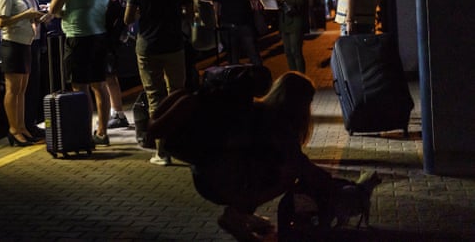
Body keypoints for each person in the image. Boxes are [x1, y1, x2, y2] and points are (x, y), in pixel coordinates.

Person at [149, 71, 376, 241]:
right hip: (220, 179)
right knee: (285, 176)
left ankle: (244, 215)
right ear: (297, 103)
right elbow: (299, 165)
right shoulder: (277, 124)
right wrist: (340, 187)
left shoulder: (257, 110)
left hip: (205, 174)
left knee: (268, 168)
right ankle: (235, 218)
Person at [124, 0, 194, 165]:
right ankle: (182, 145)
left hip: (148, 46)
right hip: (173, 44)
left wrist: (140, 16)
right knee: (178, 95)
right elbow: (190, 12)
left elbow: (128, 17)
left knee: (155, 98)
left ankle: (161, 153)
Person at [40, 0, 112, 145]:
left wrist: (58, 11)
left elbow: (53, 9)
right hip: (99, 34)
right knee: (100, 84)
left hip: (77, 36)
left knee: (79, 87)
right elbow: (106, 4)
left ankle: (84, 133)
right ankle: (102, 132)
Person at [0, 0, 44, 147]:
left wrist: (37, 18)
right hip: (13, 45)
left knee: (22, 90)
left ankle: (22, 127)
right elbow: (1, 22)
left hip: (24, 44)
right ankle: (13, 129)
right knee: (13, 89)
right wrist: (27, 15)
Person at [98, 0, 130, 129]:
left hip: (108, 36)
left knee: (109, 75)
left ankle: (117, 113)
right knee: (110, 75)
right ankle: (116, 112)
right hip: (115, 36)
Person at [212, 0, 263, 66]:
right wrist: (216, 24)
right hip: (227, 26)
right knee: (232, 58)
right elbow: (216, 7)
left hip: (245, 24)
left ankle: (260, 76)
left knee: (253, 54)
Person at [21, 0, 47, 138]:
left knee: (32, 86)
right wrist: (41, 16)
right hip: (29, 42)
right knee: (29, 86)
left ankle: (29, 123)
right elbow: (27, 15)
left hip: (32, 40)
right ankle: (28, 124)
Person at [274, 0, 309, 72]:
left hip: (295, 22)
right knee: (288, 52)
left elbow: (299, 0)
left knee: (296, 52)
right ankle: (294, 76)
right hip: (284, 22)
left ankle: (301, 78)